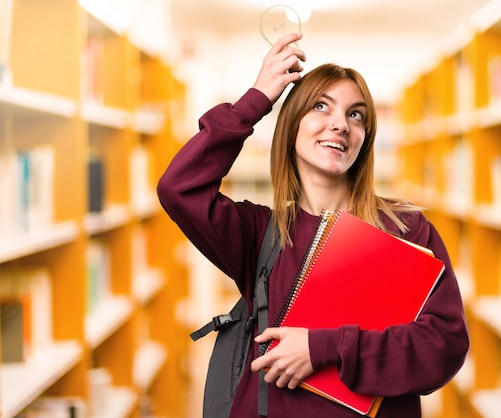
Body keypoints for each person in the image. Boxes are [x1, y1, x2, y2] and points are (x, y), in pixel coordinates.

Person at [157, 32, 469, 418]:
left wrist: (323, 349)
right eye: (321, 107)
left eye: (356, 115)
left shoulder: (404, 230)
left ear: (364, 138)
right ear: (292, 125)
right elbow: (179, 187)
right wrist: (256, 100)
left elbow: (444, 346)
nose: (340, 124)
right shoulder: (260, 235)